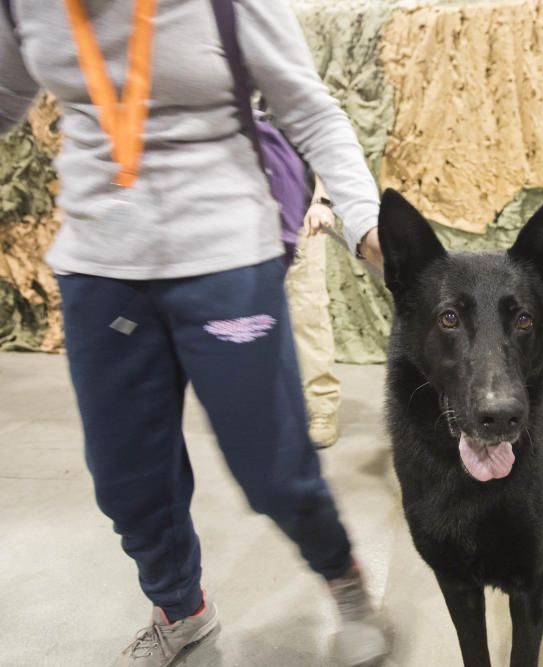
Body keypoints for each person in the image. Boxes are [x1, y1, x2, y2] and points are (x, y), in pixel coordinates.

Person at [0, 2, 388, 666]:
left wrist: (365, 220)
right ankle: (182, 610)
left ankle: (343, 574)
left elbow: (309, 109)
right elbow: (6, 94)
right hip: (100, 263)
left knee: (273, 471)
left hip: (224, 252)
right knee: (126, 480)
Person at [289, 178, 343, 448]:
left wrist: (321, 200)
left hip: (298, 216)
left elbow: (321, 144)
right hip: (241, 220)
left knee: (307, 314)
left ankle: (321, 407)